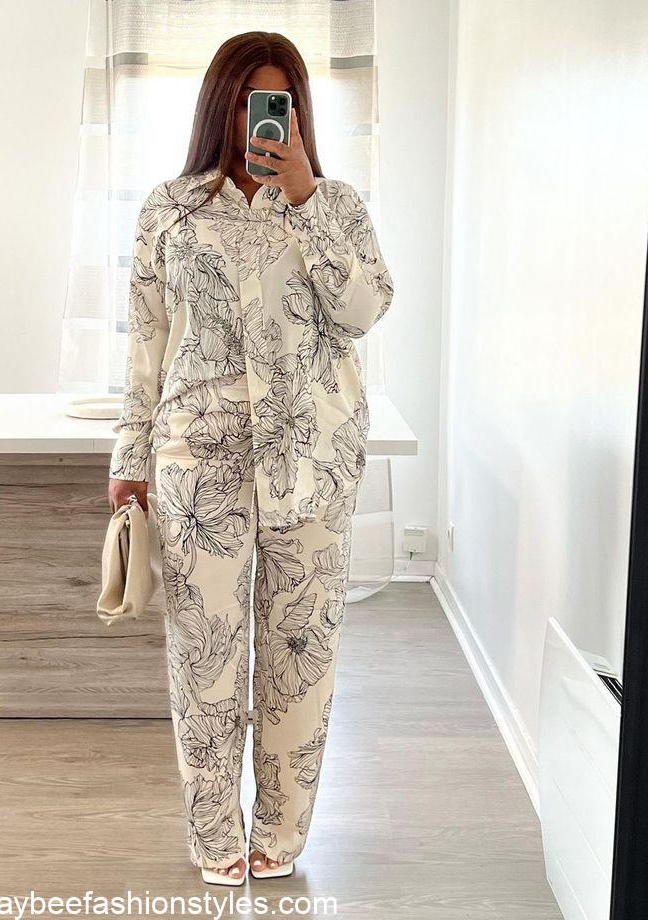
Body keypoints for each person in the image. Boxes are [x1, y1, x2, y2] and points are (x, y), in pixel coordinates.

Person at [107, 30, 393, 885]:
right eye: (242, 100)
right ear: (218, 105)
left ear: (298, 113)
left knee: (301, 654)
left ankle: (282, 831)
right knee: (206, 657)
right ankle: (214, 833)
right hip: (199, 461)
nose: (256, 119)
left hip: (313, 463)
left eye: (275, 102)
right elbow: (146, 341)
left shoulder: (336, 204)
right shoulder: (170, 208)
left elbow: (363, 311)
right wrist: (129, 454)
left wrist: (303, 199)